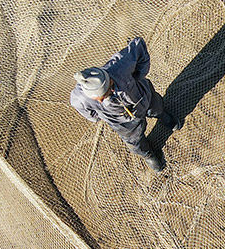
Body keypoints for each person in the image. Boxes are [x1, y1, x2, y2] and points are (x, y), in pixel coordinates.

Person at [70, 37, 181, 172]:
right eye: (97, 99)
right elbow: (87, 112)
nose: (100, 101)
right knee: (135, 142)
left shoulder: (119, 67)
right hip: (122, 122)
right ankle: (149, 155)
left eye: (103, 96)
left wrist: (139, 76)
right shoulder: (79, 97)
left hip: (143, 97)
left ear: (110, 82)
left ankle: (164, 117)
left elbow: (138, 45)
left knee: (157, 107)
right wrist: (97, 117)